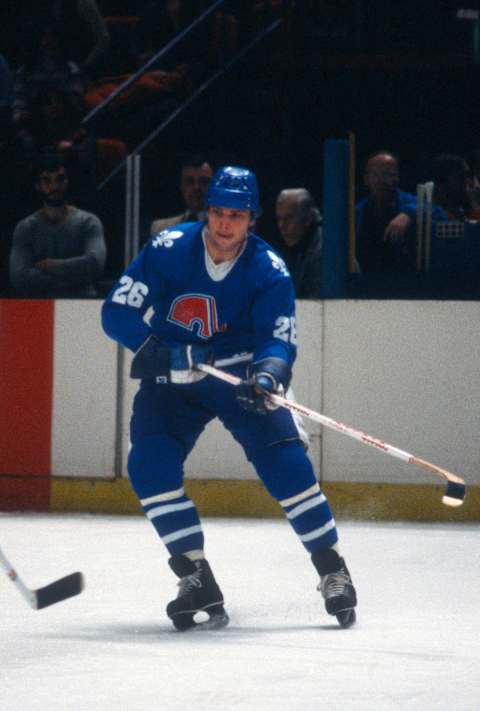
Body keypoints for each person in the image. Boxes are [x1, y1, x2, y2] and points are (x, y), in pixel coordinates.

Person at [102, 165, 357, 631]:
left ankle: (333, 571)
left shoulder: (269, 269)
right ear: (207, 212)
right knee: (148, 466)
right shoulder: (168, 249)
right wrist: (155, 351)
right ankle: (195, 576)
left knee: (287, 467)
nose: (224, 224)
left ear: (252, 219)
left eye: (235, 216)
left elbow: (279, 341)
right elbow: (117, 312)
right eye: (217, 212)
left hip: (238, 376)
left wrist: (269, 376)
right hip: (175, 380)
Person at [9, 153, 106, 297]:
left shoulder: (88, 222)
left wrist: (53, 265)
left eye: (60, 179)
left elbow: (95, 264)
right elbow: (19, 277)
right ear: (38, 186)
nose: (54, 186)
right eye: (47, 181)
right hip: (40, 309)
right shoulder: (26, 228)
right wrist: (73, 276)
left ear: (67, 181)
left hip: (82, 307)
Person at [355, 151, 417, 272]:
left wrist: (409, 213)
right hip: (365, 285)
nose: (382, 180)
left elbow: (435, 210)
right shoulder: (356, 213)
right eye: (375, 174)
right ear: (366, 179)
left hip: (406, 284)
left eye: (388, 174)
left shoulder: (410, 203)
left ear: (397, 177)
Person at [274, 188, 322, 298]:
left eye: (289, 218)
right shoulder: (289, 250)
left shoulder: (322, 251)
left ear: (308, 218)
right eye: (279, 219)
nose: (281, 226)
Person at [150, 155, 213, 235]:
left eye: (203, 182)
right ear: (181, 186)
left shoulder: (225, 228)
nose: (196, 187)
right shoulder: (161, 229)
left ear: (213, 186)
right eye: (189, 181)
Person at [430, 153, 471, 221]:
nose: (468, 182)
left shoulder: (460, 214)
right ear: (441, 182)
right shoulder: (426, 216)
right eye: (461, 177)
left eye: (468, 176)